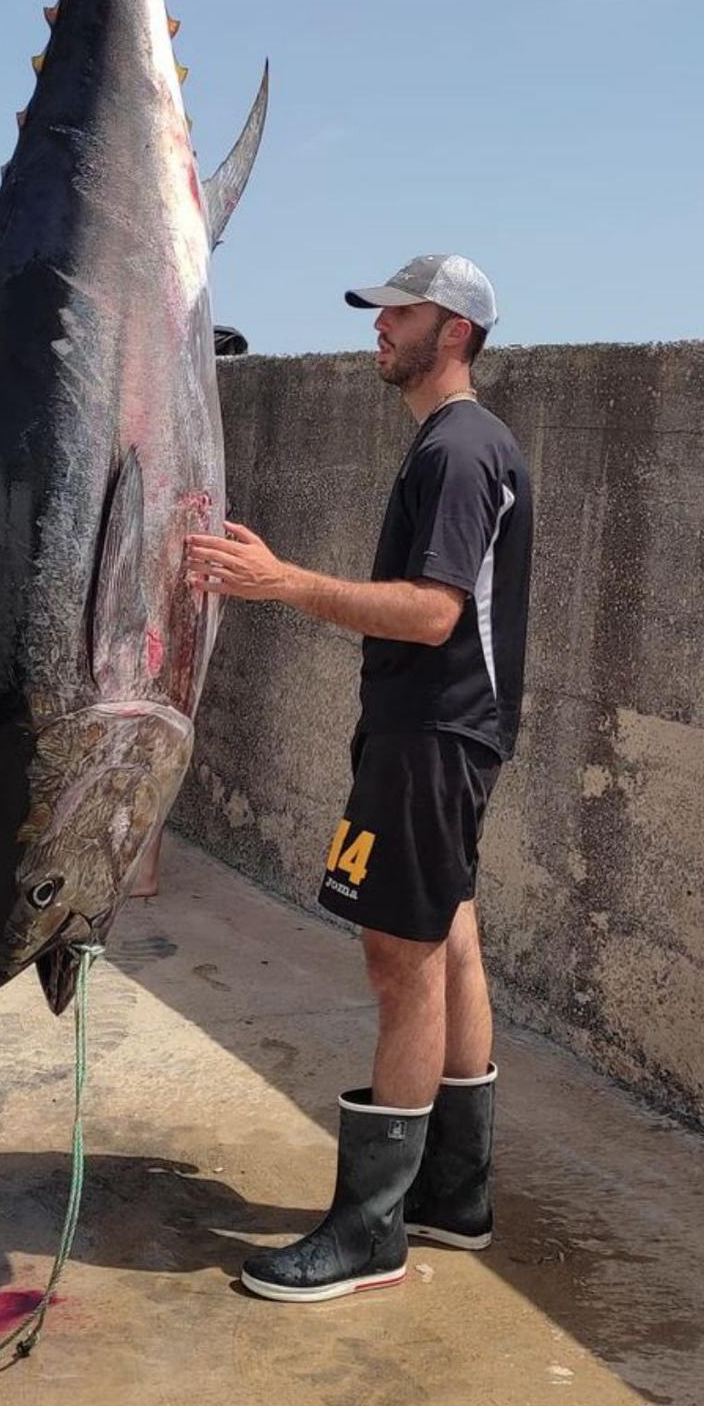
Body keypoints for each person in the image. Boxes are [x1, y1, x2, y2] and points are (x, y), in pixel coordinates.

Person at [187, 253, 533, 1305]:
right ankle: (452, 1194)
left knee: (401, 960)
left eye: (400, 313)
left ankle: (371, 1227)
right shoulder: (453, 443)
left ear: (456, 331)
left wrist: (282, 581)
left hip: (428, 737)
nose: (378, 328)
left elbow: (431, 612)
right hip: (440, 733)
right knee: (449, 936)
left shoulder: (462, 449)